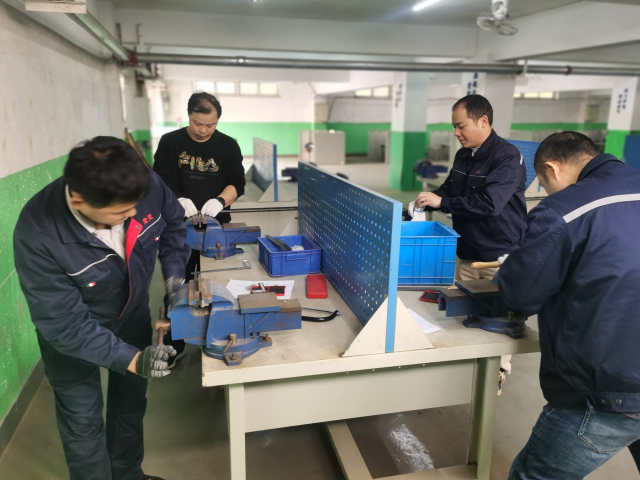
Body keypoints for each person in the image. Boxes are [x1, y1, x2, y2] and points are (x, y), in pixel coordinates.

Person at [13, 137, 191, 480]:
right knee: (82, 421)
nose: (133, 215)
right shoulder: (38, 232)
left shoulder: (144, 184)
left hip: (132, 314)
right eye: (120, 213)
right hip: (73, 335)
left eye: (135, 206)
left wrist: (174, 276)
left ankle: (127, 474)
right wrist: (134, 360)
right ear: (78, 201)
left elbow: (172, 224)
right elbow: (64, 324)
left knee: (130, 404)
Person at [496, 131, 640, 479]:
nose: (547, 192)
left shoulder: (564, 209)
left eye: (544, 185)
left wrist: (511, 269)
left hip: (607, 389)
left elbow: (520, 293)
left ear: (552, 168)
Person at [411, 94, 527, 393]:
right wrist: (430, 198)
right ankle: (467, 375)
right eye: (454, 126)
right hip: (466, 250)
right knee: (467, 315)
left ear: (483, 121)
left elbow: (490, 204)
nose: (456, 133)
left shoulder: (506, 157)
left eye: (460, 126)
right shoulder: (464, 154)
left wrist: (443, 202)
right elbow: (450, 189)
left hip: (496, 255)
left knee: (497, 320)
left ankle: (496, 375)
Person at [153, 92, 246, 367]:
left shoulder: (228, 145)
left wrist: (220, 201)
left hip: (216, 230)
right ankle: (175, 344)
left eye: (210, 125)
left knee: (217, 284)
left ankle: (216, 335)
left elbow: (237, 182)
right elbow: (160, 180)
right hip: (177, 228)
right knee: (177, 285)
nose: (204, 130)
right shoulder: (170, 142)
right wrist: (177, 200)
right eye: (197, 123)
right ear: (188, 116)